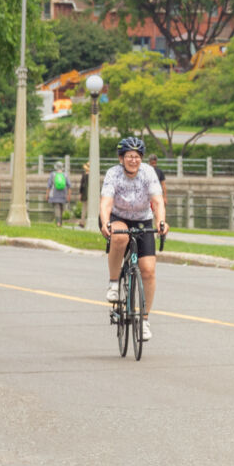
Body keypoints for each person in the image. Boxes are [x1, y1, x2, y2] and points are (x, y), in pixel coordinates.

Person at [100, 136, 168, 340]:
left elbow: (157, 200)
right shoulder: (113, 174)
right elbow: (106, 202)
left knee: (148, 271)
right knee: (120, 238)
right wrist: (105, 222)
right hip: (118, 217)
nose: (134, 160)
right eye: (129, 156)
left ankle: (144, 320)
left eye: (137, 156)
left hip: (142, 220)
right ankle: (113, 283)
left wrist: (161, 221)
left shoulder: (148, 173)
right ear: (121, 158)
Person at [147, 156, 168, 249]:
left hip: (154, 196)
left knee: (156, 215)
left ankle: (159, 232)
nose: (153, 163)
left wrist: (164, 196)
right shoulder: (147, 171)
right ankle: (154, 234)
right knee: (152, 216)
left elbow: (163, 185)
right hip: (151, 197)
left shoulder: (157, 171)